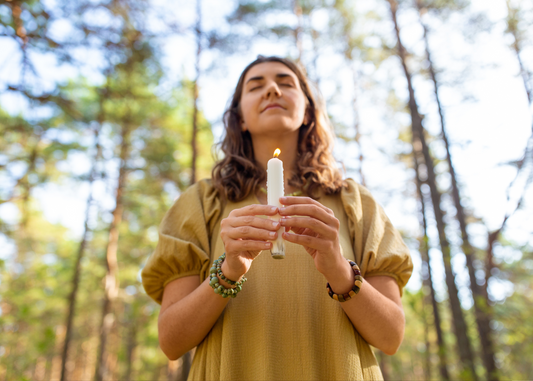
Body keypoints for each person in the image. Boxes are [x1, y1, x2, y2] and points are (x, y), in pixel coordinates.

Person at [142, 56, 413, 380]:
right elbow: (172, 342)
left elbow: (391, 337)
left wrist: (339, 270)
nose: (271, 89)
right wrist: (228, 272)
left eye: (285, 83)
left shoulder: (355, 202)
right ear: (240, 118)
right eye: (255, 86)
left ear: (308, 112)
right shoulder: (201, 202)